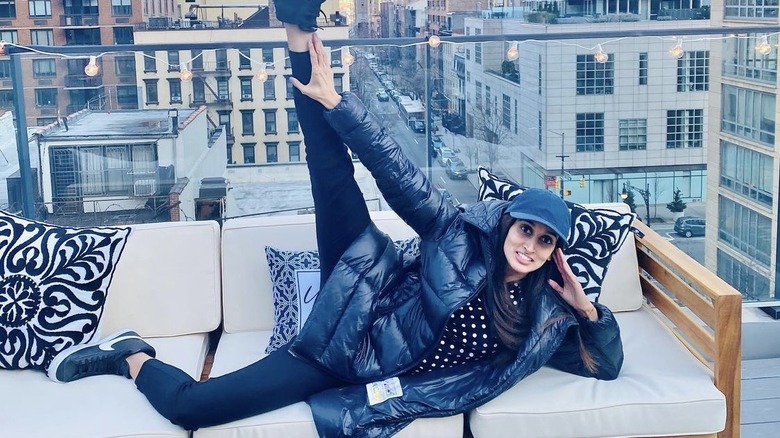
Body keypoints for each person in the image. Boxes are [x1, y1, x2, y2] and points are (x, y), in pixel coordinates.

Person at [46, 1, 623, 436]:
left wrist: (588, 310)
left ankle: (130, 355)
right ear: (507, 226)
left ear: (554, 254)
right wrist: (340, 105)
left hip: (344, 356)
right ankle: (300, 34)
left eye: (545, 241)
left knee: (192, 408)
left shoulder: (547, 317)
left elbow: (607, 368)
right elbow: (401, 176)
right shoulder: (459, 237)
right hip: (364, 282)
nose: (530, 246)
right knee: (332, 175)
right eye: (526, 230)